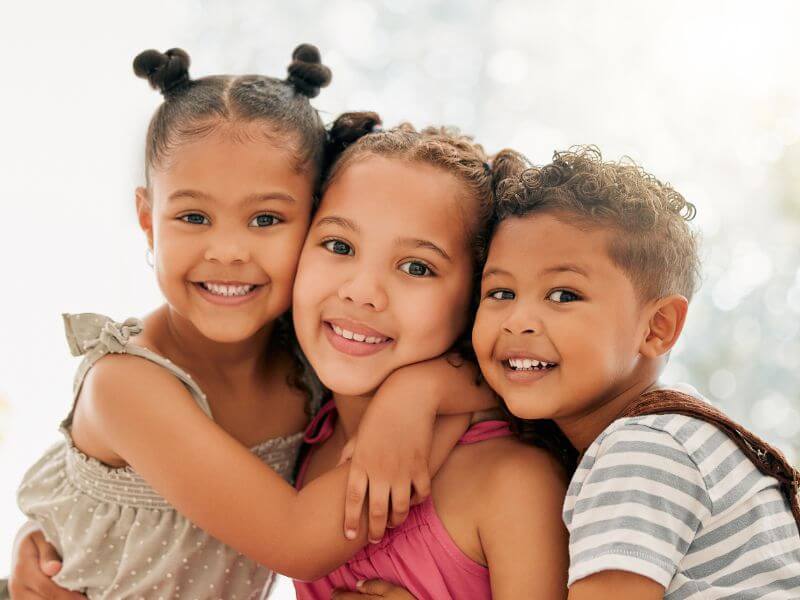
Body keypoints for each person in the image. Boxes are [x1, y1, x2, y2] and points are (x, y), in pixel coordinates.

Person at [6, 47, 494, 599]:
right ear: (148, 220)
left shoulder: (313, 356)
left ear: (313, 219)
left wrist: (417, 393)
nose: (230, 251)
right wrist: (423, 417)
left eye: (266, 219)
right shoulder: (126, 384)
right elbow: (297, 544)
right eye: (193, 217)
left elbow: (509, 377)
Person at [471, 145, 800, 599]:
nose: (517, 320)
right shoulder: (669, 432)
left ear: (657, 327)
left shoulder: (640, 452)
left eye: (564, 295)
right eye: (501, 293)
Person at [290, 113, 570, 600]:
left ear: (478, 294)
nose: (362, 292)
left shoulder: (510, 482)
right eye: (339, 245)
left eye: (416, 266)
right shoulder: (302, 429)